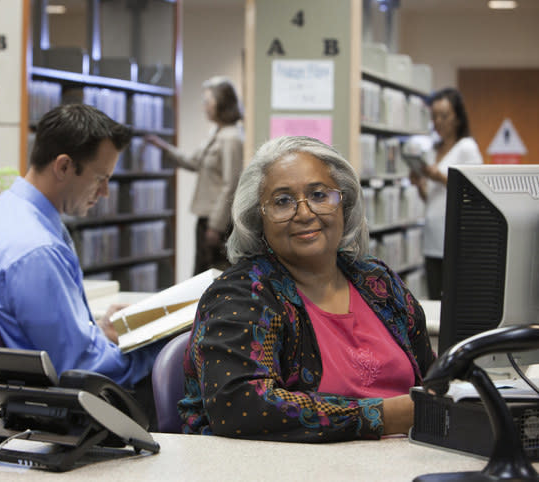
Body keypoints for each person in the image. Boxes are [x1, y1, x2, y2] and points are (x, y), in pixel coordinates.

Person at [178, 136, 436, 442]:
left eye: (319, 195)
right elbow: (241, 404)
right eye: (282, 201)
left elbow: (432, 377)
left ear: (344, 203)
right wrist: (385, 416)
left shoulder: (377, 281)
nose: (304, 213)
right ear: (258, 217)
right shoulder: (242, 294)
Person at [0, 104, 164, 411]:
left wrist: (98, 329)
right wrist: (158, 347)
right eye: (100, 178)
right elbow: (82, 369)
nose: (105, 192)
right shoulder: (37, 251)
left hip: (32, 385)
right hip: (61, 405)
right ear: (64, 166)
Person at [145, 76, 244, 274]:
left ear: (222, 104)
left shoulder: (231, 138)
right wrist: (164, 148)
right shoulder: (216, 133)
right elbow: (193, 162)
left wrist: (216, 226)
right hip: (206, 218)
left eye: (208, 102)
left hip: (217, 220)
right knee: (200, 271)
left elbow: (230, 184)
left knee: (210, 272)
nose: (204, 107)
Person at [410, 87, 483, 300]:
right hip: (433, 239)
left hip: (456, 240)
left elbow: (476, 190)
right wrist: (420, 184)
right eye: (434, 117)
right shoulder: (433, 150)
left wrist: (439, 176)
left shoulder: (467, 148)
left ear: (458, 118)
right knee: (435, 297)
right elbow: (432, 199)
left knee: (456, 300)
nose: (438, 122)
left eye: (444, 116)